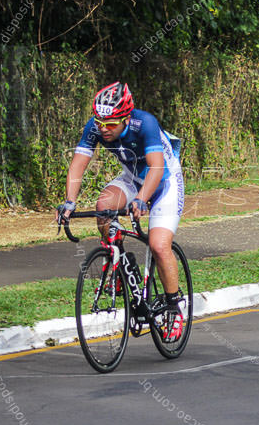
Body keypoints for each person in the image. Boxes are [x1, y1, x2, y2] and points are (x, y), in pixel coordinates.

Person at [55, 81, 186, 339]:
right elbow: (78, 164)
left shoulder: (144, 123)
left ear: (126, 118)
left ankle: (173, 307)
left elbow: (157, 168)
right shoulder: (96, 127)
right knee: (103, 206)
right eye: (100, 122)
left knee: (159, 245)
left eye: (111, 124)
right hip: (133, 178)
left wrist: (141, 199)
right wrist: (69, 202)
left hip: (164, 182)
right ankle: (115, 261)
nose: (104, 129)